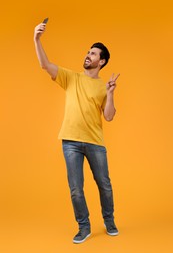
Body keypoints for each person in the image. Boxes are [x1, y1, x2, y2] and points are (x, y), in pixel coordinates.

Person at [34, 20, 120, 244]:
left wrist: (110, 94)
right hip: (70, 142)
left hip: (95, 142)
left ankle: (109, 220)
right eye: (87, 52)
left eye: (93, 54)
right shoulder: (71, 77)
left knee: (104, 184)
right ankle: (84, 227)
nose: (88, 55)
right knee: (75, 189)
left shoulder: (103, 86)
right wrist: (37, 39)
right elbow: (45, 65)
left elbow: (109, 116)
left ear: (101, 61)